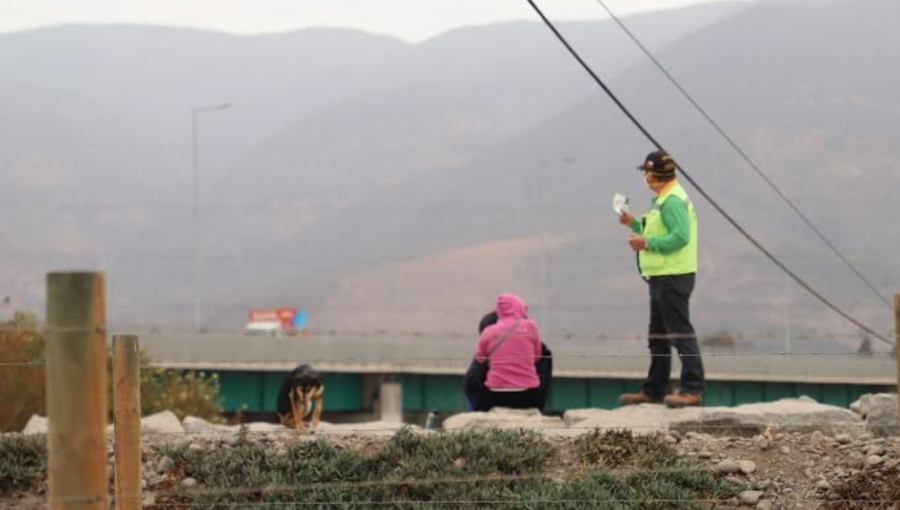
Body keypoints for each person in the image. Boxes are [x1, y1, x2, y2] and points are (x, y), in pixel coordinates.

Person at [617, 150, 705, 408]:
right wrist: (634, 224)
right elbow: (656, 231)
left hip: (673, 275)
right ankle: (654, 389)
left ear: (654, 174)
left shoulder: (672, 201)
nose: (644, 176)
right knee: (658, 335)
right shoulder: (663, 199)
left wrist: (647, 242)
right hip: (661, 276)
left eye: (645, 171)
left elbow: (680, 236)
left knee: (680, 333)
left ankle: (693, 389)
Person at [465, 293, 543, 412]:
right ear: (519, 308)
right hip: (528, 393)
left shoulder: (488, 332)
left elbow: (480, 359)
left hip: (496, 393)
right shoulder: (531, 326)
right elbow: (537, 356)